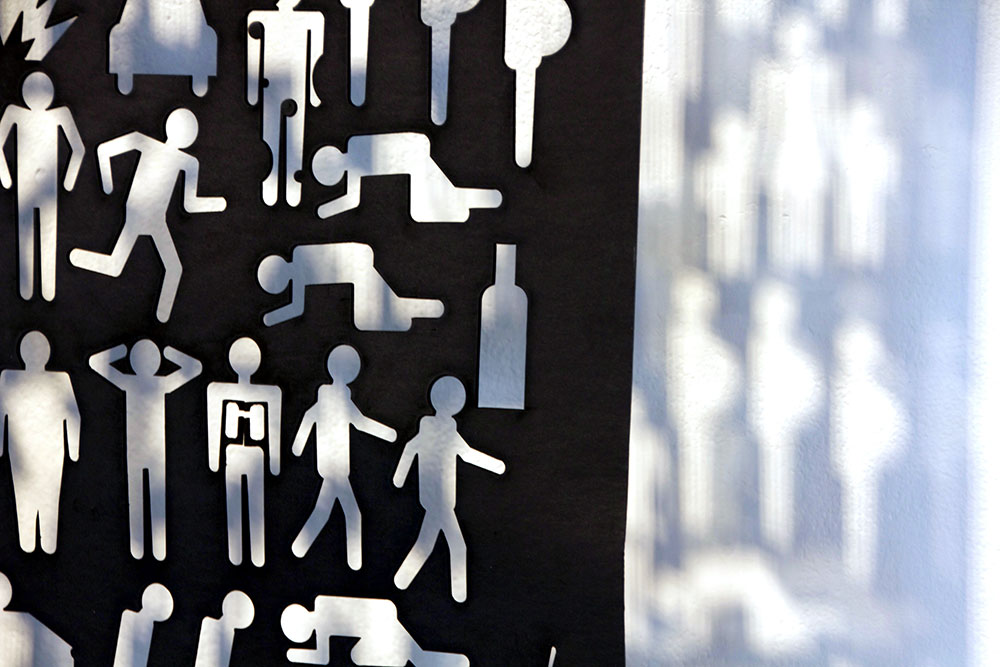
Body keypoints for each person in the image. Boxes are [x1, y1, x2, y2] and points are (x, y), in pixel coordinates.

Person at [69, 108, 226, 322]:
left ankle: (162, 317)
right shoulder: (150, 145)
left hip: (153, 218)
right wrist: (107, 183)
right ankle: (77, 257)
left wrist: (217, 203)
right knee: (165, 268)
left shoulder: (186, 161)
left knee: (155, 267)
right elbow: (105, 150)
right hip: (140, 213)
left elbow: (189, 204)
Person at [393, 376, 505, 602]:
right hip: (440, 499)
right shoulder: (437, 428)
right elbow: (464, 453)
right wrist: (496, 466)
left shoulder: (435, 427)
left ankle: (403, 579)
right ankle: (458, 593)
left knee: (427, 543)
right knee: (456, 545)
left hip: (434, 498)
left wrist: (400, 477)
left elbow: (413, 448)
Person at [90, 340, 202, 560]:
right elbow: (193, 368)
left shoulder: (142, 382)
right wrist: (169, 352)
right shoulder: (147, 383)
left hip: (149, 452)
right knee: (142, 498)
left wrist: (121, 350)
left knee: (146, 498)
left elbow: (98, 363)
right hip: (143, 452)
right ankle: (146, 548)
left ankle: (148, 548)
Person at [291, 345, 396, 570]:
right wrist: (387, 433)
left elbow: (315, 417)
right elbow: (357, 422)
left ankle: (302, 546)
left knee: (327, 511)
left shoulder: (333, 397)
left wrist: (299, 445)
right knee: (350, 513)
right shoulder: (333, 397)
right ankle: (352, 563)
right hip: (335, 466)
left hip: (332, 465)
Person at [0, 72, 84, 300]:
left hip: (47, 186)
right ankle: (26, 289)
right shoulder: (15, 113)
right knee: (26, 233)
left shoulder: (60, 115)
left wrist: (69, 179)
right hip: (26, 184)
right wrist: (5, 176)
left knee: (48, 233)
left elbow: (78, 148)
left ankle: (47, 289)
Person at [0, 331, 80, 554]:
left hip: (44, 448)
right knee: (33, 491)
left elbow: (73, 415)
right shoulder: (9, 378)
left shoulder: (58, 379)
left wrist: (73, 449)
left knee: (43, 492)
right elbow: (74, 416)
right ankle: (35, 541)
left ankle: (42, 541)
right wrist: (73, 450)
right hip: (36, 448)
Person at [206, 338, 282, 566]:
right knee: (238, 506)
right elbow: (215, 426)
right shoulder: (220, 390)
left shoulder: (268, 393)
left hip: (251, 455)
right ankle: (239, 555)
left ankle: (252, 556)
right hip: (235, 454)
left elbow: (273, 430)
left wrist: (274, 462)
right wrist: (214, 460)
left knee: (253, 506)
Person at [312, 132, 502, 222]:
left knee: (450, 197)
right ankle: (489, 199)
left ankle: (488, 199)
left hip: (420, 169)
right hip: (419, 170)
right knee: (450, 198)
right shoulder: (355, 145)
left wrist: (324, 211)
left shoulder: (356, 145)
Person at [257, 242, 444, 329]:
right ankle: (429, 310)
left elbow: (296, 308)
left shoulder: (299, 257)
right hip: (358, 257)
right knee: (387, 306)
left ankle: (429, 310)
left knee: (372, 317)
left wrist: (270, 318)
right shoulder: (299, 253)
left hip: (356, 266)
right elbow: (297, 307)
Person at [247, 0, 324, 206]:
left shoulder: (309, 19)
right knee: (270, 137)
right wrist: (252, 91)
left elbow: (315, 55)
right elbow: (254, 51)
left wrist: (312, 92)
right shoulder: (264, 17)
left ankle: (292, 190)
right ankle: (271, 187)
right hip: (273, 86)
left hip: (296, 86)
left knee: (295, 138)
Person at [281, 595, 469, 666]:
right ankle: (450, 662)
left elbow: (321, 658)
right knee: (417, 656)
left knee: (356, 656)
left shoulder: (322, 610)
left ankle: (449, 662)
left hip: (381, 629)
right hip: (385, 615)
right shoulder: (321, 603)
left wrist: (293, 653)